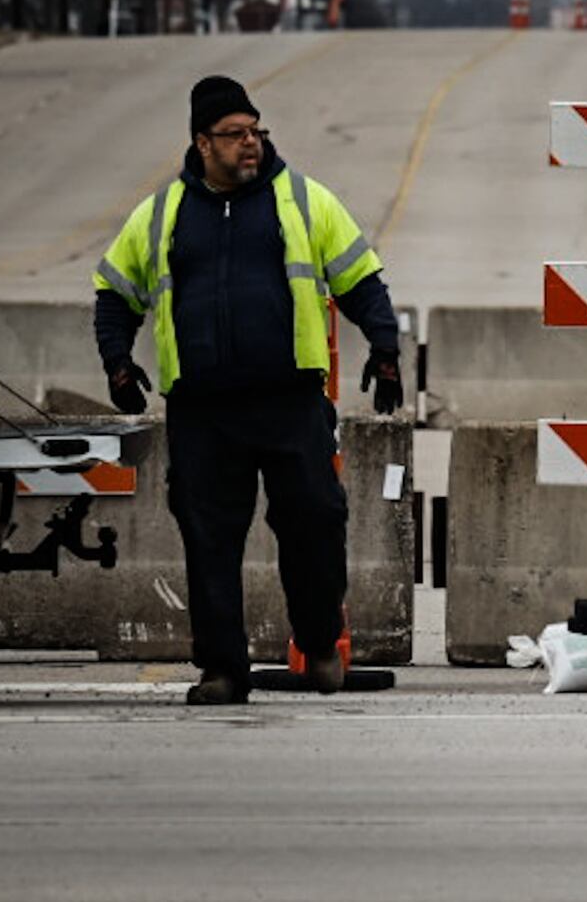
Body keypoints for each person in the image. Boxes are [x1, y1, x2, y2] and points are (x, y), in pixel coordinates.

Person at [93, 75, 404, 706]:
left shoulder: (304, 200)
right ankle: (223, 671)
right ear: (202, 143)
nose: (250, 144)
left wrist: (387, 349)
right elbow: (114, 294)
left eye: (255, 130)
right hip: (203, 409)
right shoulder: (160, 215)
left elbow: (361, 279)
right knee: (209, 540)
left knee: (316, 521)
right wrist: (118, 364)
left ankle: (319, 645)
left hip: (289, 401)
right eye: (235, 134)